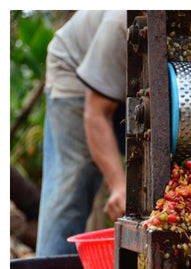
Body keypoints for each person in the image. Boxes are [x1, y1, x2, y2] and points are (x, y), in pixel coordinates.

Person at [36, 10, 127, 256]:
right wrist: (119, 185)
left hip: (128, 87)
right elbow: (96, 113)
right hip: (74, 71)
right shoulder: (122, 20)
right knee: (73, 182)